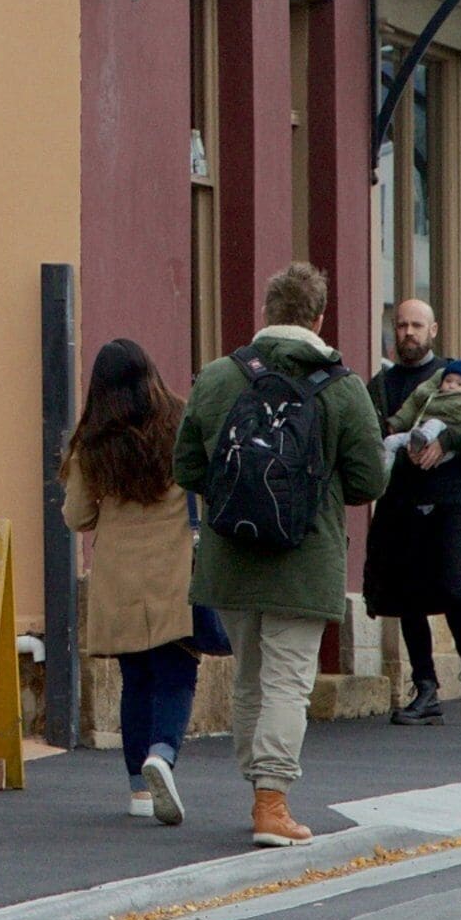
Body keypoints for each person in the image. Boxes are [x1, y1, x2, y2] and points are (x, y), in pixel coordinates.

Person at [174, 261, 387, 850]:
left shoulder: (219, 377)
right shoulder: (343, 386)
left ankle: (258, 794)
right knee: (288, 682)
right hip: (305, 556)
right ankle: (273, 801)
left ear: (266, 315)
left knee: (249, 679)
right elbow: (369, 480)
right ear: (319, 317)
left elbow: (186, 467)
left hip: (231, 555)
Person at [60, 339, 204, 825]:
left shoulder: (92, 443)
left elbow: (78, 516)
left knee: (135, 680)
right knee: (177, 672)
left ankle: (138, 791)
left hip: (119, 575)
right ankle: (162, 753)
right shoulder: (182, 422)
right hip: (173, 569)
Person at [363, 299, 461, 726]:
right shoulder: (382, 385)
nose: (408, 332)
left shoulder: (456, 376)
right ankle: (425, 689)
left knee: (451, 588)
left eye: (417, 326)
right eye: (402, 325)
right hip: (401, 500)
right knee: (408, 596)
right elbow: (372, 435)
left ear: (433, 329)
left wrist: (449, 441)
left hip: (452, 499)